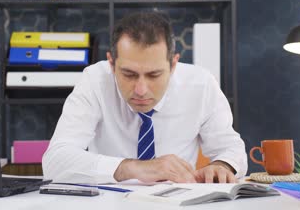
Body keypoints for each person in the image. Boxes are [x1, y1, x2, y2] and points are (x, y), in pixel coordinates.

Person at [43, 12, 247, 184]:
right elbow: (54, 162)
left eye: (154, 75)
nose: (141, 90)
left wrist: (222, 165)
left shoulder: (201, 85)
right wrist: (132, 168)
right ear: (112, 64)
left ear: (173, 65)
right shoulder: (94, 81)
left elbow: (232, 149)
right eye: (129, 74)